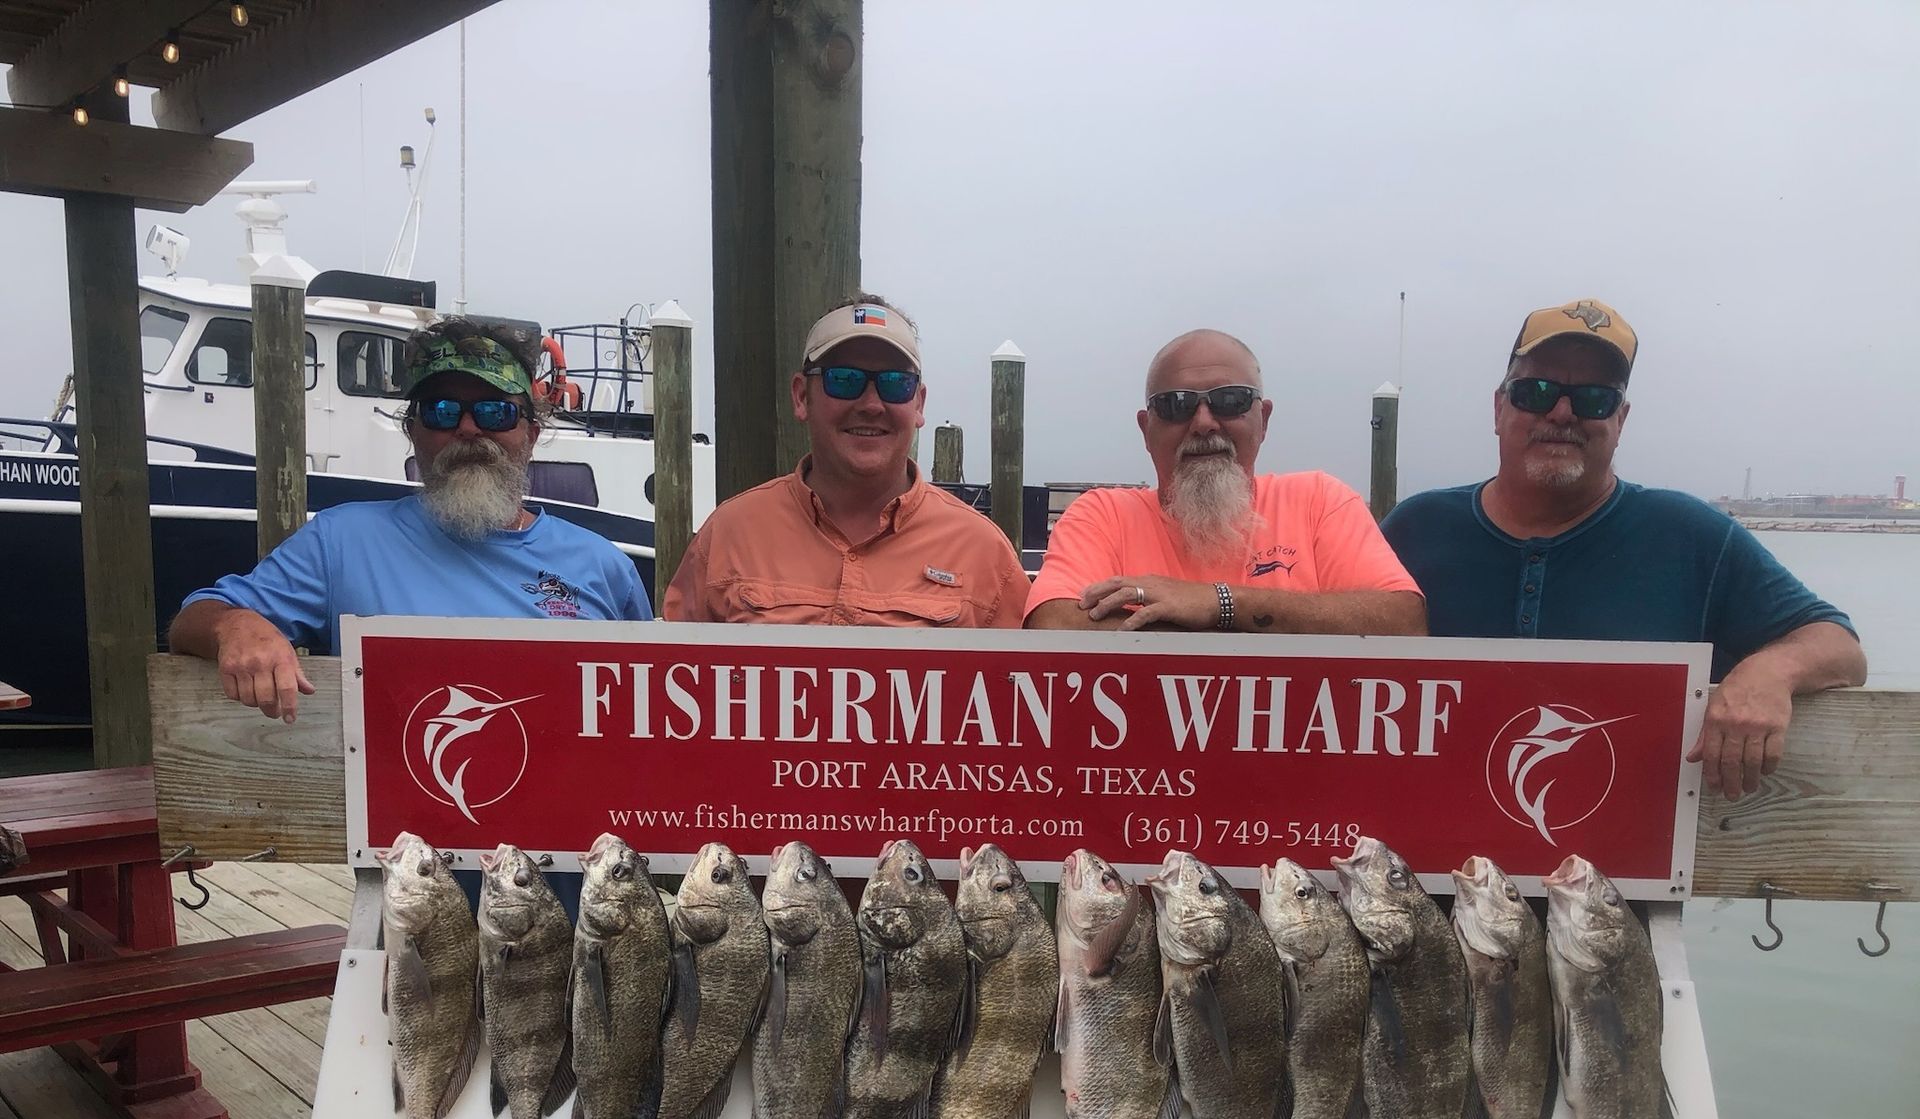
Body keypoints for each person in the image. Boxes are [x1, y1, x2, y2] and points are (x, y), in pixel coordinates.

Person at [1380, 299, 1866, 797]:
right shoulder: (1415, 529)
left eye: (1594, 399)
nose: (1563, 412)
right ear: (1499, 408)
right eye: (1536, 391)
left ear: (1621, 420)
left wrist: (1770, 671)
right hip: (1434, 864)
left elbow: (1840, 648)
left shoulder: (1693, 534)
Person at [169, 317, 652, 723]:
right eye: (441, 411)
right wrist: (235, 627)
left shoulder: (605, 567)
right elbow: (195, 618)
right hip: (396, 835)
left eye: (495, 411)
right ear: (412, 431)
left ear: (532, 432)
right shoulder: (341, 541)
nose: (467, 428)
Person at [1024, 329, 1426, 634]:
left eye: (1229, 400)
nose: (1203, 423)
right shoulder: (1102, 516)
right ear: (1147, 429)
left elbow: (1401, 622)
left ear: (1263, 419)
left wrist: (1218, 603)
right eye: (1176, 405)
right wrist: (1272, 625)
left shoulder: (1319, 500)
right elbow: (1054, 624)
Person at [663, 295, 1030, 627]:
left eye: (895, 383)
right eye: (844, 380)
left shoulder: (984, 551)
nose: (871, 404)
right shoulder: (729, 533)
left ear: (918, 404)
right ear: (801, 396)